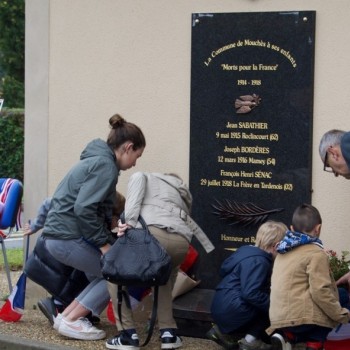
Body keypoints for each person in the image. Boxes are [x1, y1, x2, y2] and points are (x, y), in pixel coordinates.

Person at [41, 114, 145, 341]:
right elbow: (84, 209)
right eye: (137, 156)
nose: (135, 163)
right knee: (117, 273)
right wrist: (104, 245)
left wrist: (113, 224)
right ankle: (72, 320)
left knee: (102, 274)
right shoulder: (105, 166)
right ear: (128, 147)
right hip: (67, 237)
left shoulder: (97, 161)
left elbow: (90, 207)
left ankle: (66, 318)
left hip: (59, 236)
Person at [106, 171, 215, 350]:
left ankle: (127, 335)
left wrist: (129, 225)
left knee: (115, 277)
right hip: (181, 243)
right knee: (164, 280)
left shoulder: (148, 177)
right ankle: (168, 334)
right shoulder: (182, 193)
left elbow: (136, 184)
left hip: (151, 236)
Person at [24, 192, 126, 325]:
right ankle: (67, 313)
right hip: (61, 246)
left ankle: (68, 311)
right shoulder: (93, 216)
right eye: (118, 219)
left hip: (52, 244)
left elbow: (48, 202)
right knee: (110, 274)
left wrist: (36, 225)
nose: (117, 224)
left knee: (95, 274)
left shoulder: (87, 209)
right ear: (111, 212)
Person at [268, 204, 350, 350]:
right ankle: (314, 343)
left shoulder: (282, 251)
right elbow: (320, 292)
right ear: (318, 229)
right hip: (302, 321)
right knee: (341, 300)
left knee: (340, 294)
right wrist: (342, 315)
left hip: (278, 318)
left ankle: (287, 337)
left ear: (291, 228)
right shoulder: (316, 254)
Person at [207, 220, 287, 350]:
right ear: (276, 246)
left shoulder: (245, 252)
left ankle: (223, 333)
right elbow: (251, 293)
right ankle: (250, 341)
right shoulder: (260, 261)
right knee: (272, 305)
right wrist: (275, 306)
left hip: (220, 307)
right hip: (233, 310)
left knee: (264, 299)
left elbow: (224, 272)